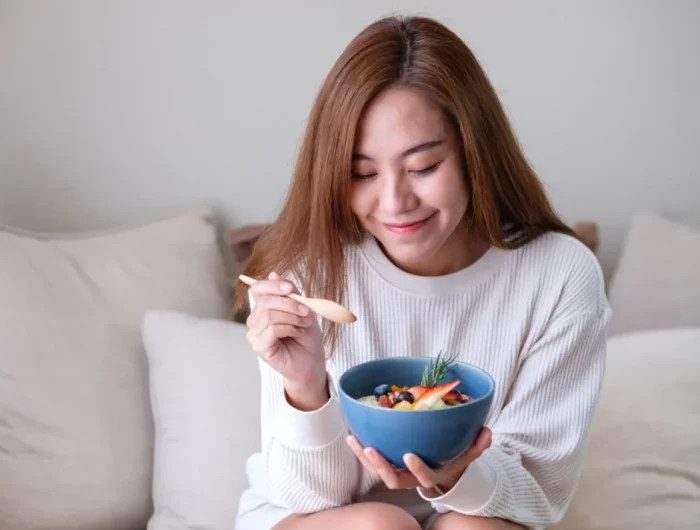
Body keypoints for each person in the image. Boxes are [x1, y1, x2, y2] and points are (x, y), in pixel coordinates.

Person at [233, 14, 610, 530]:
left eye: (423, 167)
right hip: (317, 517)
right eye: (362, 173)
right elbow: (305, 496)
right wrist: (305, 386)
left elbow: (538, 492)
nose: (395, 203)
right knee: (380, 526)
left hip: (481, 514)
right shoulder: (304, 274)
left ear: (475, 151)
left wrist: (456, 477)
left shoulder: (560, 275)